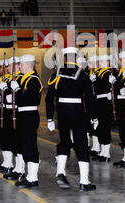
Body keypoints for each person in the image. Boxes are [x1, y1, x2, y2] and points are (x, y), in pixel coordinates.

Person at [45, 47, 97, 191]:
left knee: (65, 141)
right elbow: (90, 98)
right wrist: (93, 116)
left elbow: (49, 98)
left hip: (62, 111)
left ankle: (61, 171)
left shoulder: (56, 74)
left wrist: (49, 118)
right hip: (77, 111)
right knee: (81, 144)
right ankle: (84, 181)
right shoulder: (83, 74)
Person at [14, 54, 43, 188]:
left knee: (30, 145)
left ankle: (33, 178)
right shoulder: (25, 79)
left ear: (27, 65)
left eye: (20, 64)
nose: (19, 66)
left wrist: (17, 90)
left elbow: (29, 99)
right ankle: (29, 176)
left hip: (30, 115)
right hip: (23, 115)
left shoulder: (33, 80)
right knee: (25, 145)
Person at [90, 54, 113, 162]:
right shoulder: (99, 73)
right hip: (99, 102)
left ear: (108, 62)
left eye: (103, 61)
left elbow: (101, 87)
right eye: (100, 61)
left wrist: (94, 81)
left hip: (105, 102)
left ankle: (106, 153)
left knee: (105, 126)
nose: (100, 63)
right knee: (101, 127)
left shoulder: (108, 73)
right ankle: (102, 152)